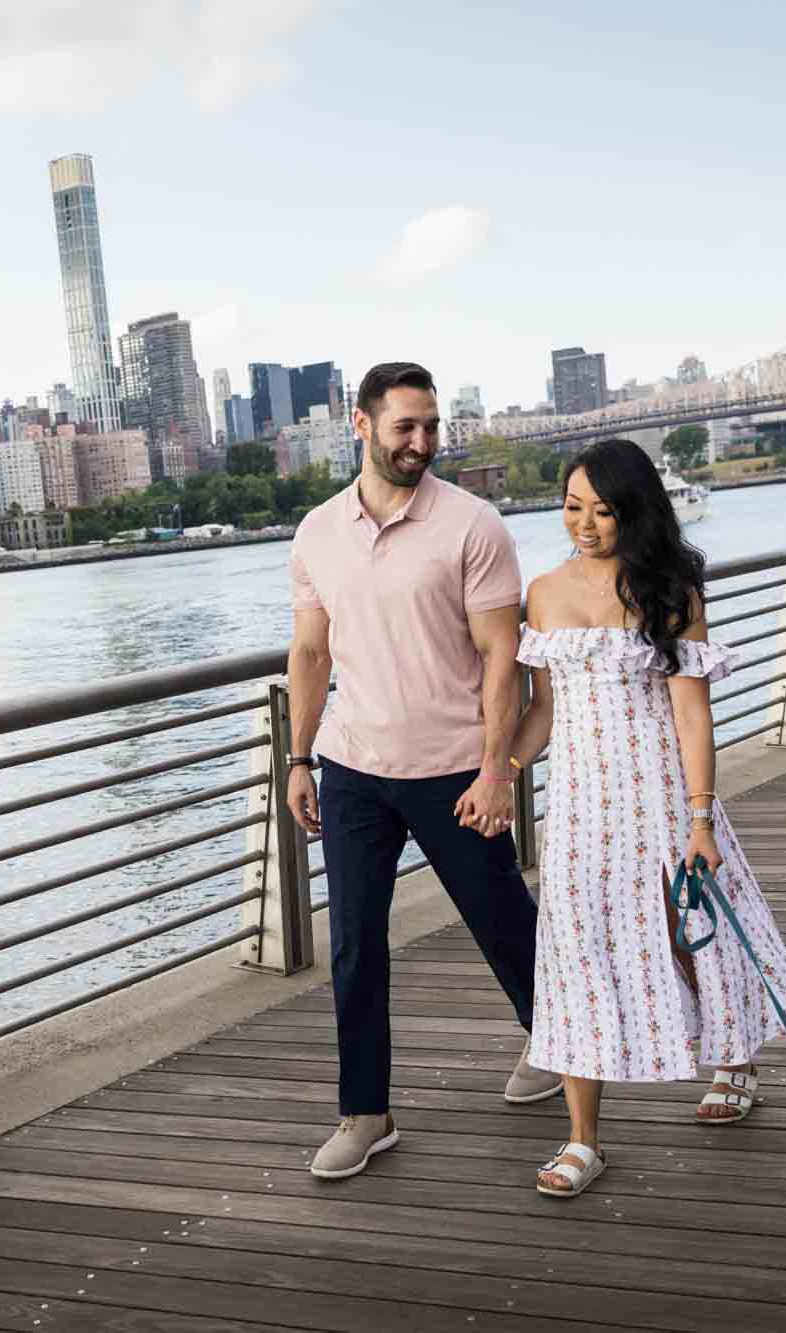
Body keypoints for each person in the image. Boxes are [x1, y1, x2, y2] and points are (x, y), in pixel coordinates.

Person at [512, 438, 786, 1198]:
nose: (584, 523)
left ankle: (735, 1057)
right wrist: (501, 771)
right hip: (579, 814)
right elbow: (543, 709)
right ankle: (584, 1139)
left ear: (634, 510)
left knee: (693, 941)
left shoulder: (670, 590)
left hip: (659, 801)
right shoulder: (543, 592)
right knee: (575, 960)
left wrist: (701, 821)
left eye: (603, 509)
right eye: (572, 505)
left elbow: (691, 715)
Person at [288, 361, 562, 1180]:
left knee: (501, 915)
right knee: (354, 943)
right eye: (406, 426)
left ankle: (553, 1034)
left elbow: (499, 657)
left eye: (432, 426)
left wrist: (495, 771)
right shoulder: (316, 531)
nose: (422, 442)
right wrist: (298, 758)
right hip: (352, 765)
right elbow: (309, 651)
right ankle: (365, 1110)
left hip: (454, 767)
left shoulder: (473, 525)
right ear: (362, 426)